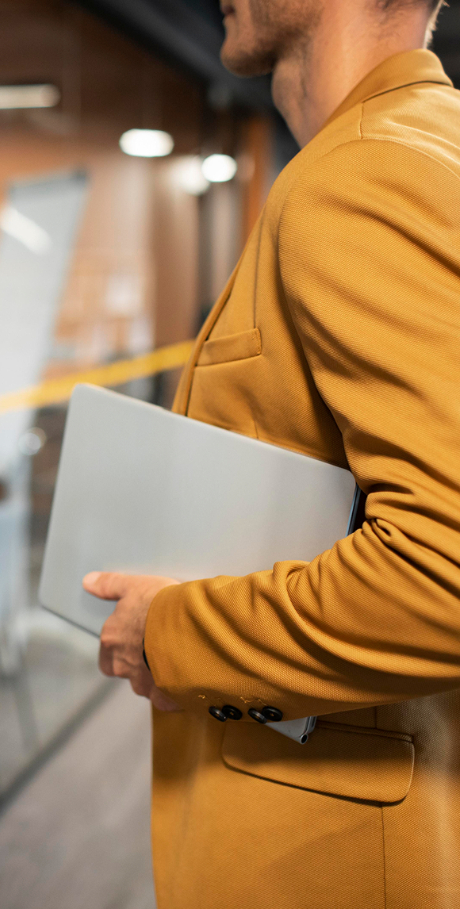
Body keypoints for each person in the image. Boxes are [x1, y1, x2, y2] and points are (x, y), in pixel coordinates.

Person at [82, 0, 460, 905]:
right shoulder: (422, 145)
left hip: (330, 859)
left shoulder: (366, 172)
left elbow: (446, 568)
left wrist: (171, 632)